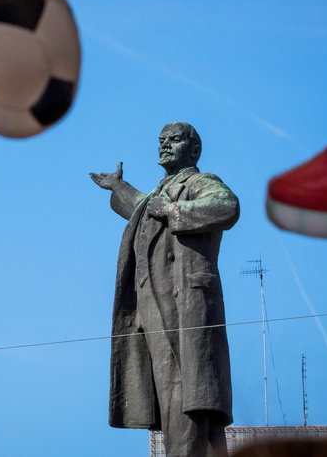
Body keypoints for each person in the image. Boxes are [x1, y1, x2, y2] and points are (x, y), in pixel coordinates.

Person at [90, 122, 240, 457]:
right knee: (173, 391)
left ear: (194, 150)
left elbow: (226, 207)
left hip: (185, 305)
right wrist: (118, 186)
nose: (165, 146)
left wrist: (172, 210)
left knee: (189, 393)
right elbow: (144, 210)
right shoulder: (159, 193)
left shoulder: (200, 182)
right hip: (154, 308)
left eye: (173, 140)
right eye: (161, 141)